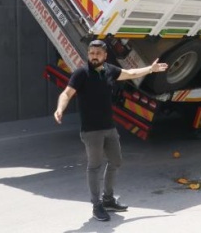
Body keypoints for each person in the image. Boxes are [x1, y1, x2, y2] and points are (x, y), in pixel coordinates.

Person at [54, 39, 168, 222]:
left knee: (116, 161)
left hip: (109, 128)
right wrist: (60, 109)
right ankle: (96, 205)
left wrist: (150, 69)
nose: (94, 56)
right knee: (94, 167)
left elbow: (130, 73)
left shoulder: (110, 70)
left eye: (98, 54)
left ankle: (108, 199)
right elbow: (66, 93)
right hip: (91, 131)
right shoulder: (81, 74)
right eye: (91, 53)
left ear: (105, 55)